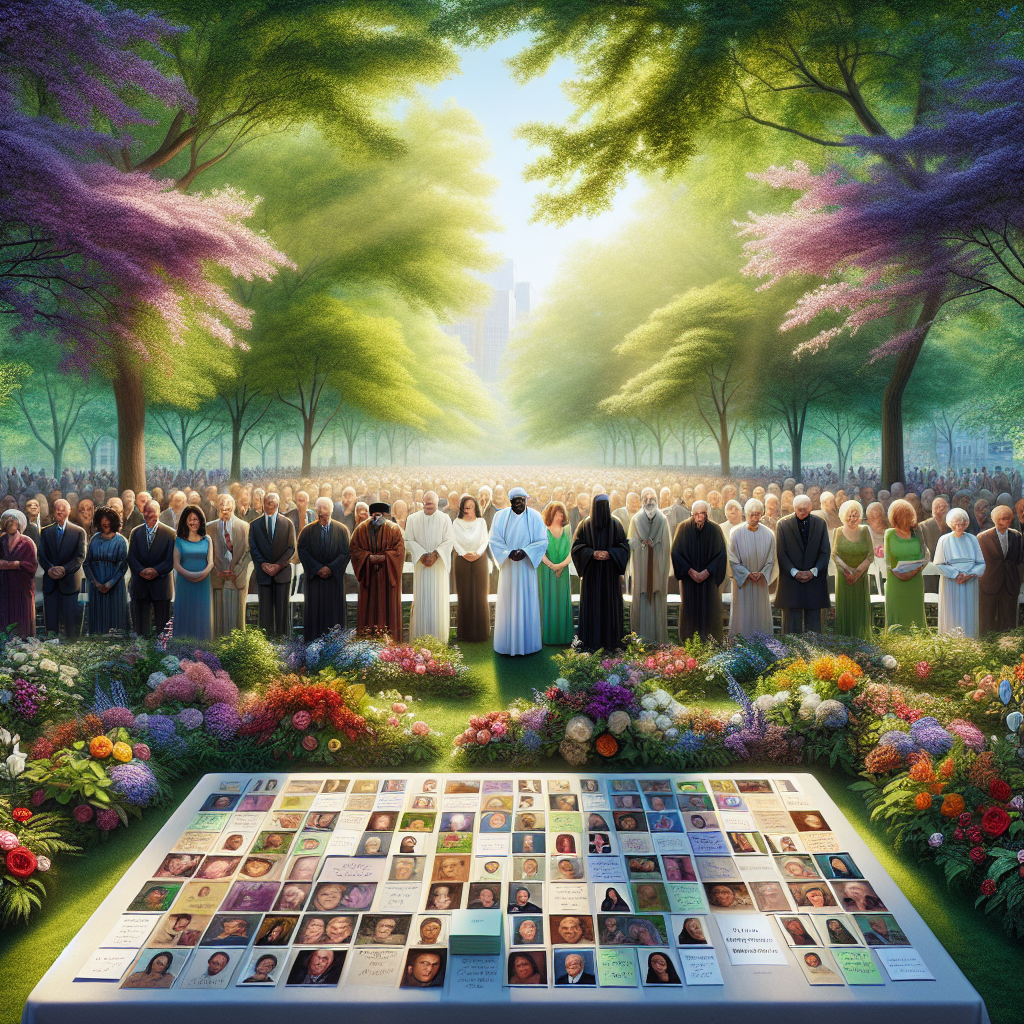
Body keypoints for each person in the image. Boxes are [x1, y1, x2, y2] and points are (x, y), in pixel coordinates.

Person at [490, 487, 549, 656]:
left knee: (527, 601)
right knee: (508, 602)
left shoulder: (536, 517)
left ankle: (529, 644)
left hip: (526, 567)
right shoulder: (500, 517)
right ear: (510, 502)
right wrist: (508, 553)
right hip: (508, 567)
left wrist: (526, 552)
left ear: (526, 500)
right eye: (516, 501)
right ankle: (506, 645)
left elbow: (542, 540)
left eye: (522, 500)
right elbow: (494, 539)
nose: (520, 504)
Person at [572, 494, 630, 651]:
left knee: (609, 606)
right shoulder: (585, 525)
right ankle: (590, 642)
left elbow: (624, 547)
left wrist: (611, 553)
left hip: (610, 577)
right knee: (593, 607)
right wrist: (592, 553)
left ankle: (611, 642)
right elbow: (577, 548)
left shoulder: (616, 525)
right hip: (592, 577)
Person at [671, 499, 727, 642]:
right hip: (690, 582)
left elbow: (721, 554)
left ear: (708, 514)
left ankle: (712, 646)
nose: (700, 517)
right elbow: (676, 553)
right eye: (697, 514)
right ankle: (689, 645)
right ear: (692, 514)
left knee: (710, 614)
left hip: (709, 582)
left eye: (703, 513)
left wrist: (707, 572)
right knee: (690, 615)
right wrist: (690, 571)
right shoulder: (682, 528)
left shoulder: (715, 529)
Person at [775, 494, 831, 634]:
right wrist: (794, 572)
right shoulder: (783, 524)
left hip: (814, 581)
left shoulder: (820, 523)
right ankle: (791, 654)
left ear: (811, 507)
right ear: (794, 508)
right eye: (799, 509)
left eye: (805, 509)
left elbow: (825, 551)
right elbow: (781, 552)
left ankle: (814, 654)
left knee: (814, 629)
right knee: (791, 629)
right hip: (791, 581)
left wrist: (814, 571)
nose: (802, 512)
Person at [404, 491, 455, 643]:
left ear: (437, 503)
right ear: (422, 502)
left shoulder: (445, 518)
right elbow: (407, 540)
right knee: (421, 603)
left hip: (438, 567)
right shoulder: (412, 519)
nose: (428, 506)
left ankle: (439, 640)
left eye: (431, 503)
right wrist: (421, 555)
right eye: (425, 503)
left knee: (438, 603)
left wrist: (435, 555)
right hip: (421, 567)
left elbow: (449, 540)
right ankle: (419, 639)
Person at [349, 502, 404, 640]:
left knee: (386, 605)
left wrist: (383, 557)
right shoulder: (360, 530)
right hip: (369, 576)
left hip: (387, 576)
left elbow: (399, 551)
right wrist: (369, 557)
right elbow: (354, 550)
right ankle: (368, 638)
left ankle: (387, 639)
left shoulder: (394, 529)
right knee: (370, 606)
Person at [297, 497, 350, 641]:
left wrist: (331, 568)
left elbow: (345, 553)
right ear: (315, 511)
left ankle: (335, 646)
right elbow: (302, 550)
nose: (322, 513)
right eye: (319, 509)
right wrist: (317, 568)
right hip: (315, 580)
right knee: (315, 614)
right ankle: (312, 645)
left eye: (325, 509)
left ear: (331, 510)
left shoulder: (342, 530)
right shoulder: (307, 531)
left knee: (334, 616)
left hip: (334, 580)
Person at [248, 491, 295, 637]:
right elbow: (253, 547)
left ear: (278, 504)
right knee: (265, 612)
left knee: (282, 612)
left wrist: (278, 565)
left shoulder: (287, 523)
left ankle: (283, 641)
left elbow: (291, 548)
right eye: (268, 502)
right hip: (263, 574)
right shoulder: (254, 525)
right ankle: (266, 643)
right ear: (263, 504)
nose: (271, 505)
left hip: (282, 574)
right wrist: (263, 564)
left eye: (274, 502)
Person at [934, 507, 986, 637]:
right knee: (951, 611)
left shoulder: (972, 539)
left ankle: (969, 640)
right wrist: (956, 574)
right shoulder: (944, 540)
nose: (960, 527)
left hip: (969, 580)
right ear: (951, 524)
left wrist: (970, 574)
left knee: (968, 610)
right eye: (957, 524)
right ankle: (950, 641)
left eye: (963, 524)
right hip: (951, 582)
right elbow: (938, 564)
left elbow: (981, 563)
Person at [37, 499, 86, 638]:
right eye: (57, 508)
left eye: (63, 509)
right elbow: (41, 554)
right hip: (51, 582)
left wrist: (64, 569)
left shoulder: (78, 532)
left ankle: (71, 646)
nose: (59, 511)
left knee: (71, 623)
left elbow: (80, 557)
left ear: (69, 511)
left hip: (70, 582)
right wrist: (50, 569)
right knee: (51, 622)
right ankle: (52, 643)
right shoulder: (45, 532)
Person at [628, 488, 671, 645]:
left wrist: (658, 558)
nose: (649, 502)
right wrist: (641, 544)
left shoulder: (662, 520)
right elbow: (630, 541)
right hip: (641, 565)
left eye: (652, 498)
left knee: (657, 597)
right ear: (641, 501)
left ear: (657, 500)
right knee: (641, 596)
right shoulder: (636, 519)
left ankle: (658, 639)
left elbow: (667, 546)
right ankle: (640, 639)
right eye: (646, 499)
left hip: (657, 565)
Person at [728, 499, 776, 637]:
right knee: (743, 612)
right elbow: (732, 559)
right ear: (745, 514)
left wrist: (762, 573)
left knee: (760, 613)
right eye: (752, 514)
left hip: (760, 581)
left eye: (758, 514)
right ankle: (741, 642)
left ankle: (763, 643)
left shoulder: (769, 534)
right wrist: (746, 574)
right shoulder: (735, 533)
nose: (755, 518)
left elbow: (771, 559)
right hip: (743, 582)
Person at [127, 500, 176, 635]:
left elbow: (171, 559)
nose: (147, 514)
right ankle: (140, 652)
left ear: (158, 513)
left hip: (161, 584)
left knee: (163, 628)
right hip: (140, 584)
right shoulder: (135, 533)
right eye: (146, 511)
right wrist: (141, 571)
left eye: (151, 511)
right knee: (140, 629)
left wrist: (156, 571)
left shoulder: (170, 534)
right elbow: (131, 556)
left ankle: (161, 653)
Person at [978, 504, 1024, 633]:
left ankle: (1008, 647)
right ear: (996, 519)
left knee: (1008, 619)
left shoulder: (1017, 536)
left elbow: (1020, 559)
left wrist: (1019, 578)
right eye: (1004, 518)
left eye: (1009, 518)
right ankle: (987, 645)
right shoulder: (983, 538)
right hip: (989, 582)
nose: (1007, 521)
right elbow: (979, 561)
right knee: (987, 619)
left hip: (1010, 582)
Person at [831, 499, 874, 639]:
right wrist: (847, 570)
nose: (852, 518)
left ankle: (861, 638)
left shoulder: (865, 530)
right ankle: (844, 640)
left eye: (855, 515)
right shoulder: (838, 531)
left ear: (860, 516)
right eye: (849, 515)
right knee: (845, 609)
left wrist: (857, 572)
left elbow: (870, 555)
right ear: (843, 516)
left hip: (860, 577)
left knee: (859, 609)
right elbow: (834, 554)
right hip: (844, 576)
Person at [884, 499, 927, 632]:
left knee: (914, 611)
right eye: (901, 516)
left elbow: (924, 554)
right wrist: (899, 574)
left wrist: (914, 571)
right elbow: (888, 561)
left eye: (907, 516)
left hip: (915, 579)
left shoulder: (917, 533)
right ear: (894, 518)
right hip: (895, 579)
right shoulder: (889, 534)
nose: (904, 519)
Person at [210, 495, 251, 637]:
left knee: (237, 617)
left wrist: (235, 570)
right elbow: (207, 553)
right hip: (217, 577)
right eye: (221, 506)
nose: (224, 509)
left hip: (237, 577)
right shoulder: (209, 528)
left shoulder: (244, 527)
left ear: (233, 507)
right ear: (217, 508)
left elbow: (247, 553)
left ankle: (237, 647)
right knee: (218, 617)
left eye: (227, 507)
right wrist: (218, 570)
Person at [451, 494, 490, 641]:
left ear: (475, 508)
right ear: (462, 509)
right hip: (462, 560)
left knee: (480, 595)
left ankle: (481, 633)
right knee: (464, 595)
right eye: (466, 507)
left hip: (480, 560)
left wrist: (477, 553)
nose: (468, 510)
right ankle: (464, 633)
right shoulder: (456, 523)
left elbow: (485, 540)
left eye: (471, 507)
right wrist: (464, 554)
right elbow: (454, 541)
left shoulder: (481, 522)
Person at [173, 505, 213, 639]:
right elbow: (176, 564)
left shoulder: (207, 539)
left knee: (202, 613)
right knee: (185, 612)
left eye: (195, 519)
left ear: (201, 521)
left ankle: (203, 651)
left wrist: (201, 575)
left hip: (203, 583)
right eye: (190, 519)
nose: (193, 522)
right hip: (184, 583)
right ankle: (182, 649)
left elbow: (211, 562)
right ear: (185, 521)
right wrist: (190, 575)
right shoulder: (178, 540)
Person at [538, 501, 573, 645]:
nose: (560, 516)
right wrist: (553, 566)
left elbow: (572, 551)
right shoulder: (542, 529)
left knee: (562, 601)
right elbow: (539, 551)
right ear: (551, 514)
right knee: (548, 601)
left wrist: (561, 566)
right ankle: (548, 637)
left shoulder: (568, 530)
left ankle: (564, 637)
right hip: (546, 571)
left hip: (563, 571)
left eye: (561, 513)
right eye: (557, 513)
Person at [0, 510, 37, 637]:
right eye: (7, 522)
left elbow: (32, 566)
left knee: (21, 614)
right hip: (4, 585)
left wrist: (16, 564)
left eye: (13, 522)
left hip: (21, 585)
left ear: (19, 524)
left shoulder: (27, 543)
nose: (10, 525)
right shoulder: (1, 541)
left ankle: (23, 641)